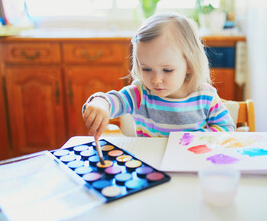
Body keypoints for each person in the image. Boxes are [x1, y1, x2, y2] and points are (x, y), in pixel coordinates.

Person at [83, 12, 235, 139]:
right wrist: (100, 103)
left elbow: (227, 129)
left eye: (167, 70)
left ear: (189, 65)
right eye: (147, 69)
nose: (156, 80)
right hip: (150, 169)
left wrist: (193, 139)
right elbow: (114, 101)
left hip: (191, 167)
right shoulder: (140, 93)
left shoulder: (205, 96)